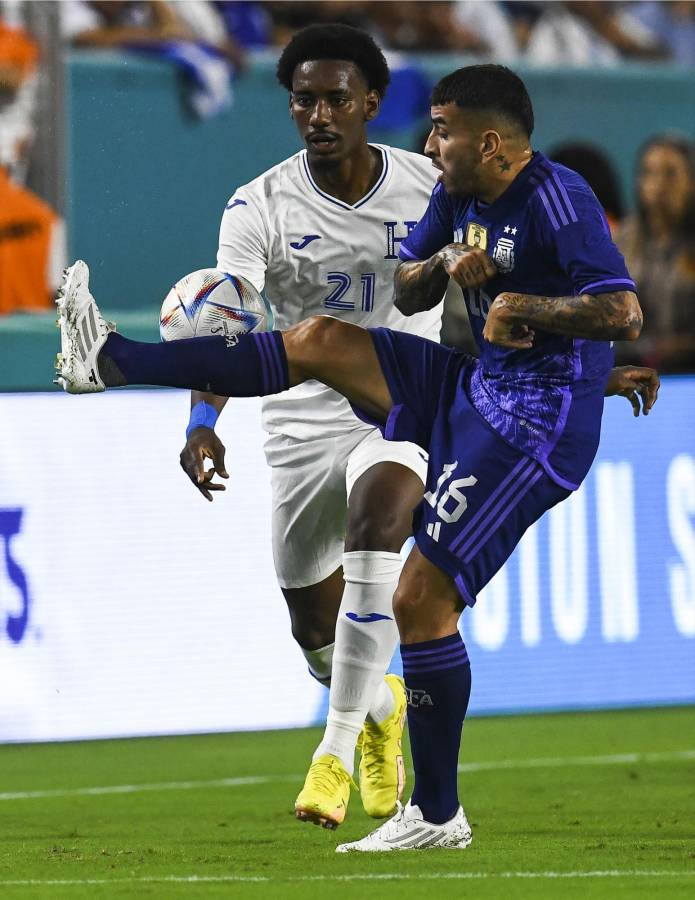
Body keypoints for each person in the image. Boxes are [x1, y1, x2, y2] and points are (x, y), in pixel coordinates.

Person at [54, 64, 658, 852]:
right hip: (476, 386)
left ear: (488, 142)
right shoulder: (457, 193)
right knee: (317, 340)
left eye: (442, 130)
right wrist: (442, 264)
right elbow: (407, 291)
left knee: (419, 602)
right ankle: (110, 360)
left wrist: (525, 310)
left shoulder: (557, 199)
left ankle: (435, 815)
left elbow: (621, 309)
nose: (430, 144)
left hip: (534, 427)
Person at [179, 24, 447, 831]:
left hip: (400, 400)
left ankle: (330, 757)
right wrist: (202, 418)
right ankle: (378, 709)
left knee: (377, 518)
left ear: (371, 102)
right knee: (312, 629)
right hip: (300, 419)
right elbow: (227, 323)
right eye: (304, 101)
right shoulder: (257, 205)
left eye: (336, 99)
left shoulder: (430, 186)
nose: (319, 115)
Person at [615, 134, 695, 373]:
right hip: (630, 367)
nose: (658, 184)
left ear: (691, 181)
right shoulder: (621, 240)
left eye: (670, 173)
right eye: (649, 173)